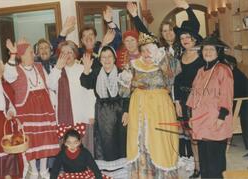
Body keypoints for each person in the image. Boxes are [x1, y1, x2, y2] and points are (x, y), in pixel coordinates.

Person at [4, 38, 59, 178]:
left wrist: (58, 68)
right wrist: (12, 54)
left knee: (44, 137)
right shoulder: (15, 69)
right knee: (31, 139)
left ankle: (44, 170)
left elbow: (50, 83)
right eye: (29, 52)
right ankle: (34, 170)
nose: (33, 55)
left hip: (44, 106)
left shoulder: (39, 66)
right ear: (21, 55)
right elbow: (8, 75)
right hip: (26, 108)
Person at [127, 32, 178, 178]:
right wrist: (130, 83)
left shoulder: (165, 61)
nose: (147, 53)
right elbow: (124, 90)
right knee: (141, 139)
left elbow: (171, 81)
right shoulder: (133, 65)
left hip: (160, 106)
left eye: (150, 49)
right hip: (139, 107)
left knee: (161, 140)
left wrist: (163, 64)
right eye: (143, 50)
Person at [186, 35, 234, 178]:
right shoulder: (200, 71)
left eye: (211, 49)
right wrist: (190, 117)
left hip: (216, 120)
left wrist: (221, 118)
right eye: (205, 49)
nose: (207, 52)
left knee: (215, 162)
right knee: (205, 160)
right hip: (200, 121)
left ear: (218, 51)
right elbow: (194, 95)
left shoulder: (223, 70)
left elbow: (227, 95)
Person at [80, 46, 129, 175]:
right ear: (100, 60)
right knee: (103, 142)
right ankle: (107, 172)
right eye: (104, 57)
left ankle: (122, 172)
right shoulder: (96, 72)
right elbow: (85, 83)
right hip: (102, 112)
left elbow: (127, 95)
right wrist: (86, 70)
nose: (107, 59)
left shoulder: (121, 73)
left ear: (114, 58)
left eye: (109, 56)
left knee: (120, 140)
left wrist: (126, 111)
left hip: (118, 112)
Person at [48, 40, 96, 154]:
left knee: (84, 149)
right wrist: (57, 69)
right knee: (67, 150)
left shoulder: (83, 69)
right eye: (63, 53)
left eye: (70, 52)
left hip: (82, 115)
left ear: (75, 54)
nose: (67, 55)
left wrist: (91, 114)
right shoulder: (57, 70)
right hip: (64, 117)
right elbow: (50, 85)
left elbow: (91, 94)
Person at [173, 0, 204, 175]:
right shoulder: (180, 56)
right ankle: (198, 167)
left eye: (187, 37)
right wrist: (177, 101)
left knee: (203, 135)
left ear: (194, 39)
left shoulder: (203, 55)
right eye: (182, 37)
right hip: (185, 101)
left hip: (201, 100)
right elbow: (177, 81)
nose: (184, 40)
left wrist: (187, 8)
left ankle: (207, 165)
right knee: (192, 137)